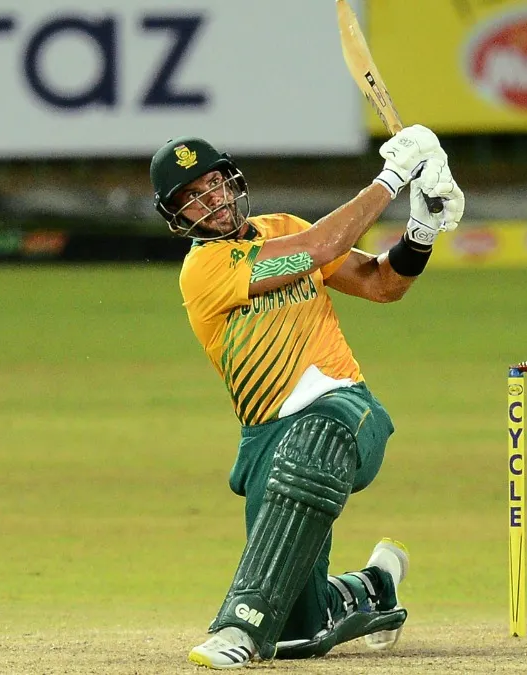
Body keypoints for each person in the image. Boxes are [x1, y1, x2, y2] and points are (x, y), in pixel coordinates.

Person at [148, 124, 465, 669]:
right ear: (177, 215)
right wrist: (391, 178)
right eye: (192, 197)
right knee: (299, 628)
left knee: (314, 441)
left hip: (345, 409)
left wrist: (421, 232)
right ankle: (375, 584)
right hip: (268, 439)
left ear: (231, 181)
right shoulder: (205, 270)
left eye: (214, 184)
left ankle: (240, 626)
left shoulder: (285, 229)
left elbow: (381, 284)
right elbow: (322, 246)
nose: (211, 200)